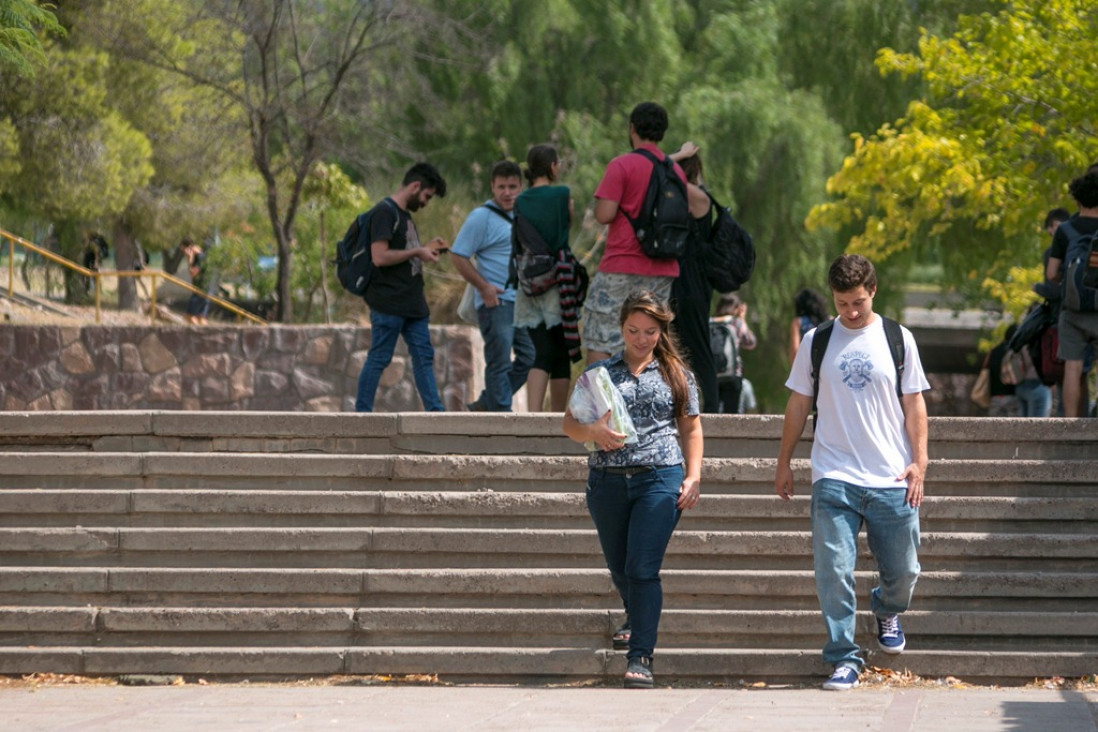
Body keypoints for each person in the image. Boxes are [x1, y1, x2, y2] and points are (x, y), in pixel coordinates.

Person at [774, 254, 929, 692]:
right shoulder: (817, 340)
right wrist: (784, 461)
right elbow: (799, 404)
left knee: (905, 571)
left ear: (873, 290)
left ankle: (886, 607)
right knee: (833, 569)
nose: (851, 312)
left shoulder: (898, 338)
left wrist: (920, 461)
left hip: (891, 476)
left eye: (858, 302)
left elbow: (914, 404)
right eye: (842, 303)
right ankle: (844, 657)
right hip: (833, 473)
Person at [563, 290, 702, 689]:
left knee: (642, 568)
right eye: (633, 330)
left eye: (650, 331)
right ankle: (634, 613)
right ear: (621, 328)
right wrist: (591, 431)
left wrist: (693, 476)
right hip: (606, 481)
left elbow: (691, 429)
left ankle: (640, 656)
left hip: (660, 477)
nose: (641, 339)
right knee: (619, 566)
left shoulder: (678, 374)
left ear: (662, 330)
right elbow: (568, 424)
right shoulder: (600, 374)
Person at [585, 102, 687, 365]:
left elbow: (604, 214)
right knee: (649, 337)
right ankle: (643, 398)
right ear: (662, 132)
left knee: (601, 335)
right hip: (663, 267)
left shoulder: (622, 165)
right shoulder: (675, 171)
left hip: (622, 263)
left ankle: (599, 403)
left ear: (632, 129)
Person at [355, 162, 449, 413]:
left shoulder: (404, 217)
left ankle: (435, 412)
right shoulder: (384, 212)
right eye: (427, 196)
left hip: (412, 303)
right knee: (379, 358)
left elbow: (404, 252)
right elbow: (379, 256)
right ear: (415, 186)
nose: (427, 202)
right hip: (388, 302)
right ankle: (362, 415)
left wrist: (425, 247)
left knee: (424, 357)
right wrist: (418, 251)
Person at [451, 160, 535, 412]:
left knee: (530, 357)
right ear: (492, 187)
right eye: (501, 187)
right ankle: (501, 414)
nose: (507, 192)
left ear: (521, 187)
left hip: (522, 301)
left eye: (512, 186)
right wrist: (484, 287)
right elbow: (458, 255)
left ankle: (489, 403)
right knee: (499, 361)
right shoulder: (481, 217)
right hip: (495, 301)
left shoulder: (525, 214)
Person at [513, 144, 578, 411]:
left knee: (540, 350)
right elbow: (567, 225)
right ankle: (557, 419)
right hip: (557, 283)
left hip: (529, 283)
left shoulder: (520, 200)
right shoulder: (562, 195)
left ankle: (533, 416)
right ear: (553, 166)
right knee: (561, 354)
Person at [668, 143, 720, 412]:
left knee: (697, 345)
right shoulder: (674, 196)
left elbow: (655, 169)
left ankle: (710, 408)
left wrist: (671, 159)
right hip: (675, 278)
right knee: (672, 345)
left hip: (692, 280)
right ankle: (680, 405)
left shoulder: (698, 197)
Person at [1045, 168, 1098, 417]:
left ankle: (1070, 426)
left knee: (1073, 368)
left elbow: (1051, 273)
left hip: (1073, 310)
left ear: (1077, 199)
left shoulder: (1065, 230)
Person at [709, 292, 757, 414]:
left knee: (711, 411)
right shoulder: (735, 322)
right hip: (732, 374)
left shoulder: (708, 322)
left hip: (710, 375)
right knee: (731, 413)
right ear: (736, 308)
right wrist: (742, 318)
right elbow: (750, 343)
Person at [985, 325, 1019, 417]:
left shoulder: (994, 351)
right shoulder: (1015, 352)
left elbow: (986, 370)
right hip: (1012, 395)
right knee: (1012, 428)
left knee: (994, 429)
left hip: (995, 397)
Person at [790, 287, 831, 362]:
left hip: (807, 364)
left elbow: (795, 351)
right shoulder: (831, 320)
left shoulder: (799, 322)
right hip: (828, 362)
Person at [180, 237, 209, 325]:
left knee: (190, 317)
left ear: (190, 247)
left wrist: (190, 259)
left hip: (200, 290)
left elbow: (193, 273)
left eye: (184, 250)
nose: (184, 253)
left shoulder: (200, 257)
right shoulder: (201, 256)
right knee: (200, 318)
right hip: (202, 290)